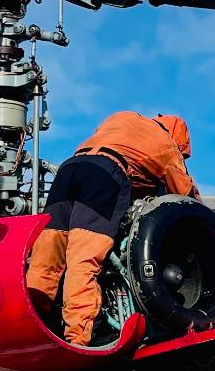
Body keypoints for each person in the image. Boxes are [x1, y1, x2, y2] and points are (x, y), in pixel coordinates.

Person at [26, 111, 202, 346]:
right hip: (105, 175)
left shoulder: (123, 119)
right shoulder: (168, 146)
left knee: (45, 256)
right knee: (84, 260)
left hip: (70, 169)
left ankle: (34, 327)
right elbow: (185, 195)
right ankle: (82, 336)